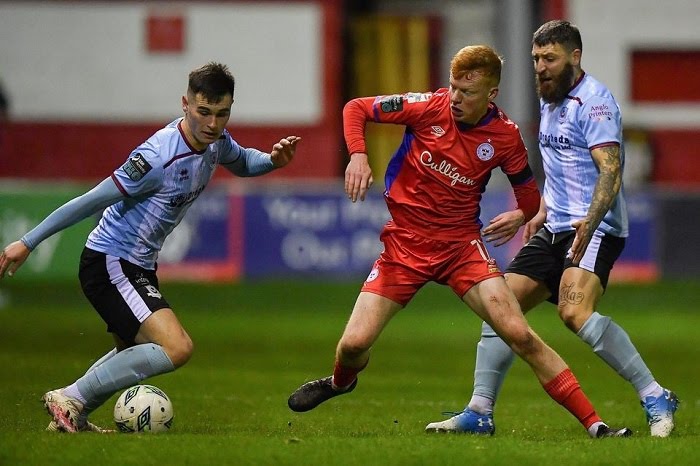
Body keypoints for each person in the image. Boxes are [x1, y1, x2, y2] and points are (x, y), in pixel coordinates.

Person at [287, 45, 630, 438]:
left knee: (519, 334)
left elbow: (530, 195)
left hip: (460, 248)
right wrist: (359, 155)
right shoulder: (426, 106)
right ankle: (340, 383)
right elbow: (355, 108)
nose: (455, 99)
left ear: (491, 95)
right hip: (405, 247)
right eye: (452, 87)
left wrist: (522, 213)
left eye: (466, 93)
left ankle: (595, 424)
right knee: (352, 346)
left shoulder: (504, 136)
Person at [0, 62, 300, 433]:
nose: (212, 123)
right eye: (203, 112)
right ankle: (71, 395)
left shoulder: (215, 142)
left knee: (132, 352)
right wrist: (28, 241)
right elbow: (92, 200)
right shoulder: (156, 158)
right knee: (177, 347)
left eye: (222, 114)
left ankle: (72, 415)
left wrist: (272, 160)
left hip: (138, 265)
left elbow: (243, 162)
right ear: (185, 104)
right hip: (111, 261)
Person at [425, 20, 678, 438]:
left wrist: (590, 221)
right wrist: (540, 210)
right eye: (536, 59)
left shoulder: (594, 103)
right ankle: (479, 411)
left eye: (550, 58)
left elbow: (610, 171)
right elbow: (562, 166)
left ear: (574, 57)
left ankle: (654, 394)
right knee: (499, 306)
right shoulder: (550, 97)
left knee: (574, 312)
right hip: (556, 223)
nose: (540, 67)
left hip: (594, 226)